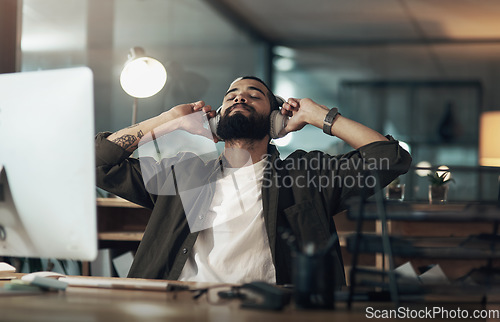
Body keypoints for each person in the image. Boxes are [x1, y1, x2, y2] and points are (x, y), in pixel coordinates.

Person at [95, 76, 412, 287]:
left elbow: (390, 158)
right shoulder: (182, 174)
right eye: (231, 96)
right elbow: (97, 163)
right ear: (218, 119)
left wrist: (319, 116)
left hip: (270, 309)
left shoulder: (307, 174)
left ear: (276, 120)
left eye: (253, 95)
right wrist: (167, 121)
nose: (239, 99)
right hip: (181, 307)